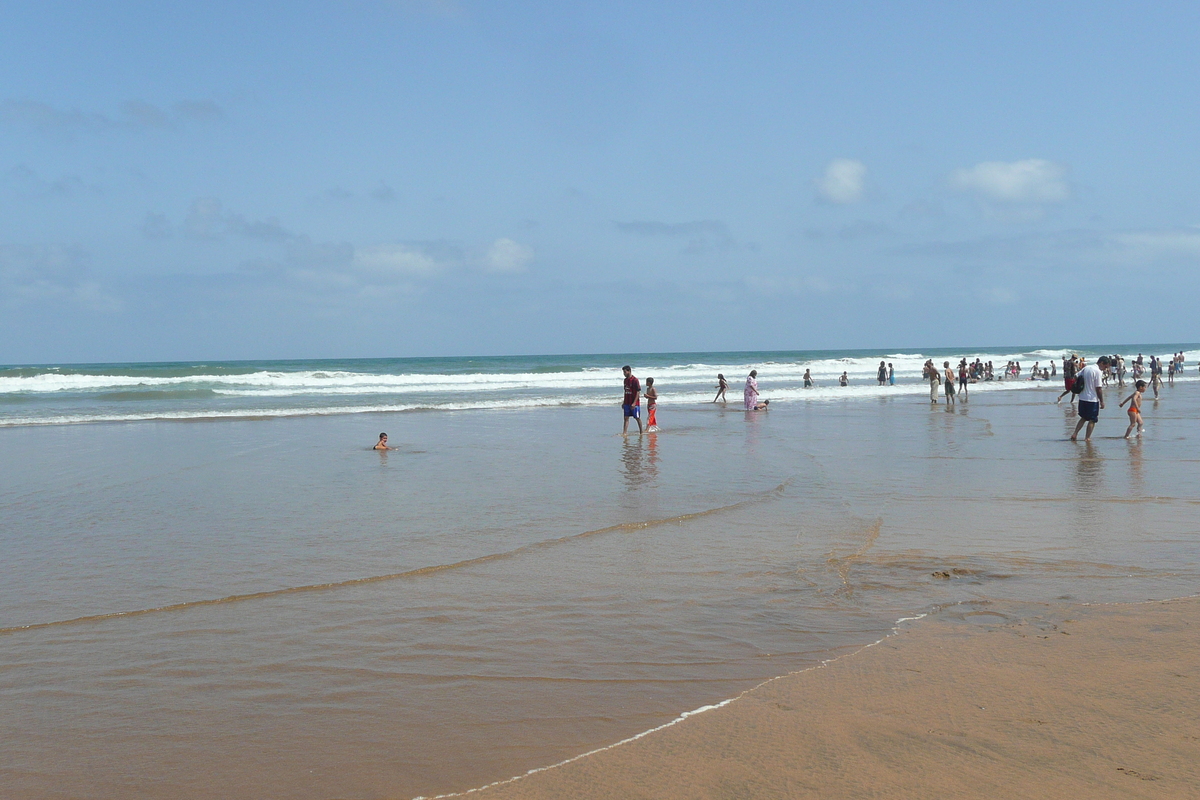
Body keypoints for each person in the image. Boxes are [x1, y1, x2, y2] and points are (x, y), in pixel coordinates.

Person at [1070, 355, 1110, 441]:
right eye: (1105, 366)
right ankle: (1087, 438)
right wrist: (1102, 401)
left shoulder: (1087, 368)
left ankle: (1075, 434)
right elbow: (1098, 388)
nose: (1105, 369)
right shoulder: (1098, 371)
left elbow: (1076, 376)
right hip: (1092, 399)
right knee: (1092, 420)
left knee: (1083, 418)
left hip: (1082, 397)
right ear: (1102, 363)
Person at [621, 365, 643, 435]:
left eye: (625, 372)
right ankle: (624, 432)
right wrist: (624, 402)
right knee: (626, 418)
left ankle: (641, 432)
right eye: (623, 372)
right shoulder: (625, 380)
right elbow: (625, 392)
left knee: (637, 417)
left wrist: (634, 403)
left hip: (634, 403)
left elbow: (638, 392)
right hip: (627, 402)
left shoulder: (635, 380)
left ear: (629, 371)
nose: (624, 374)